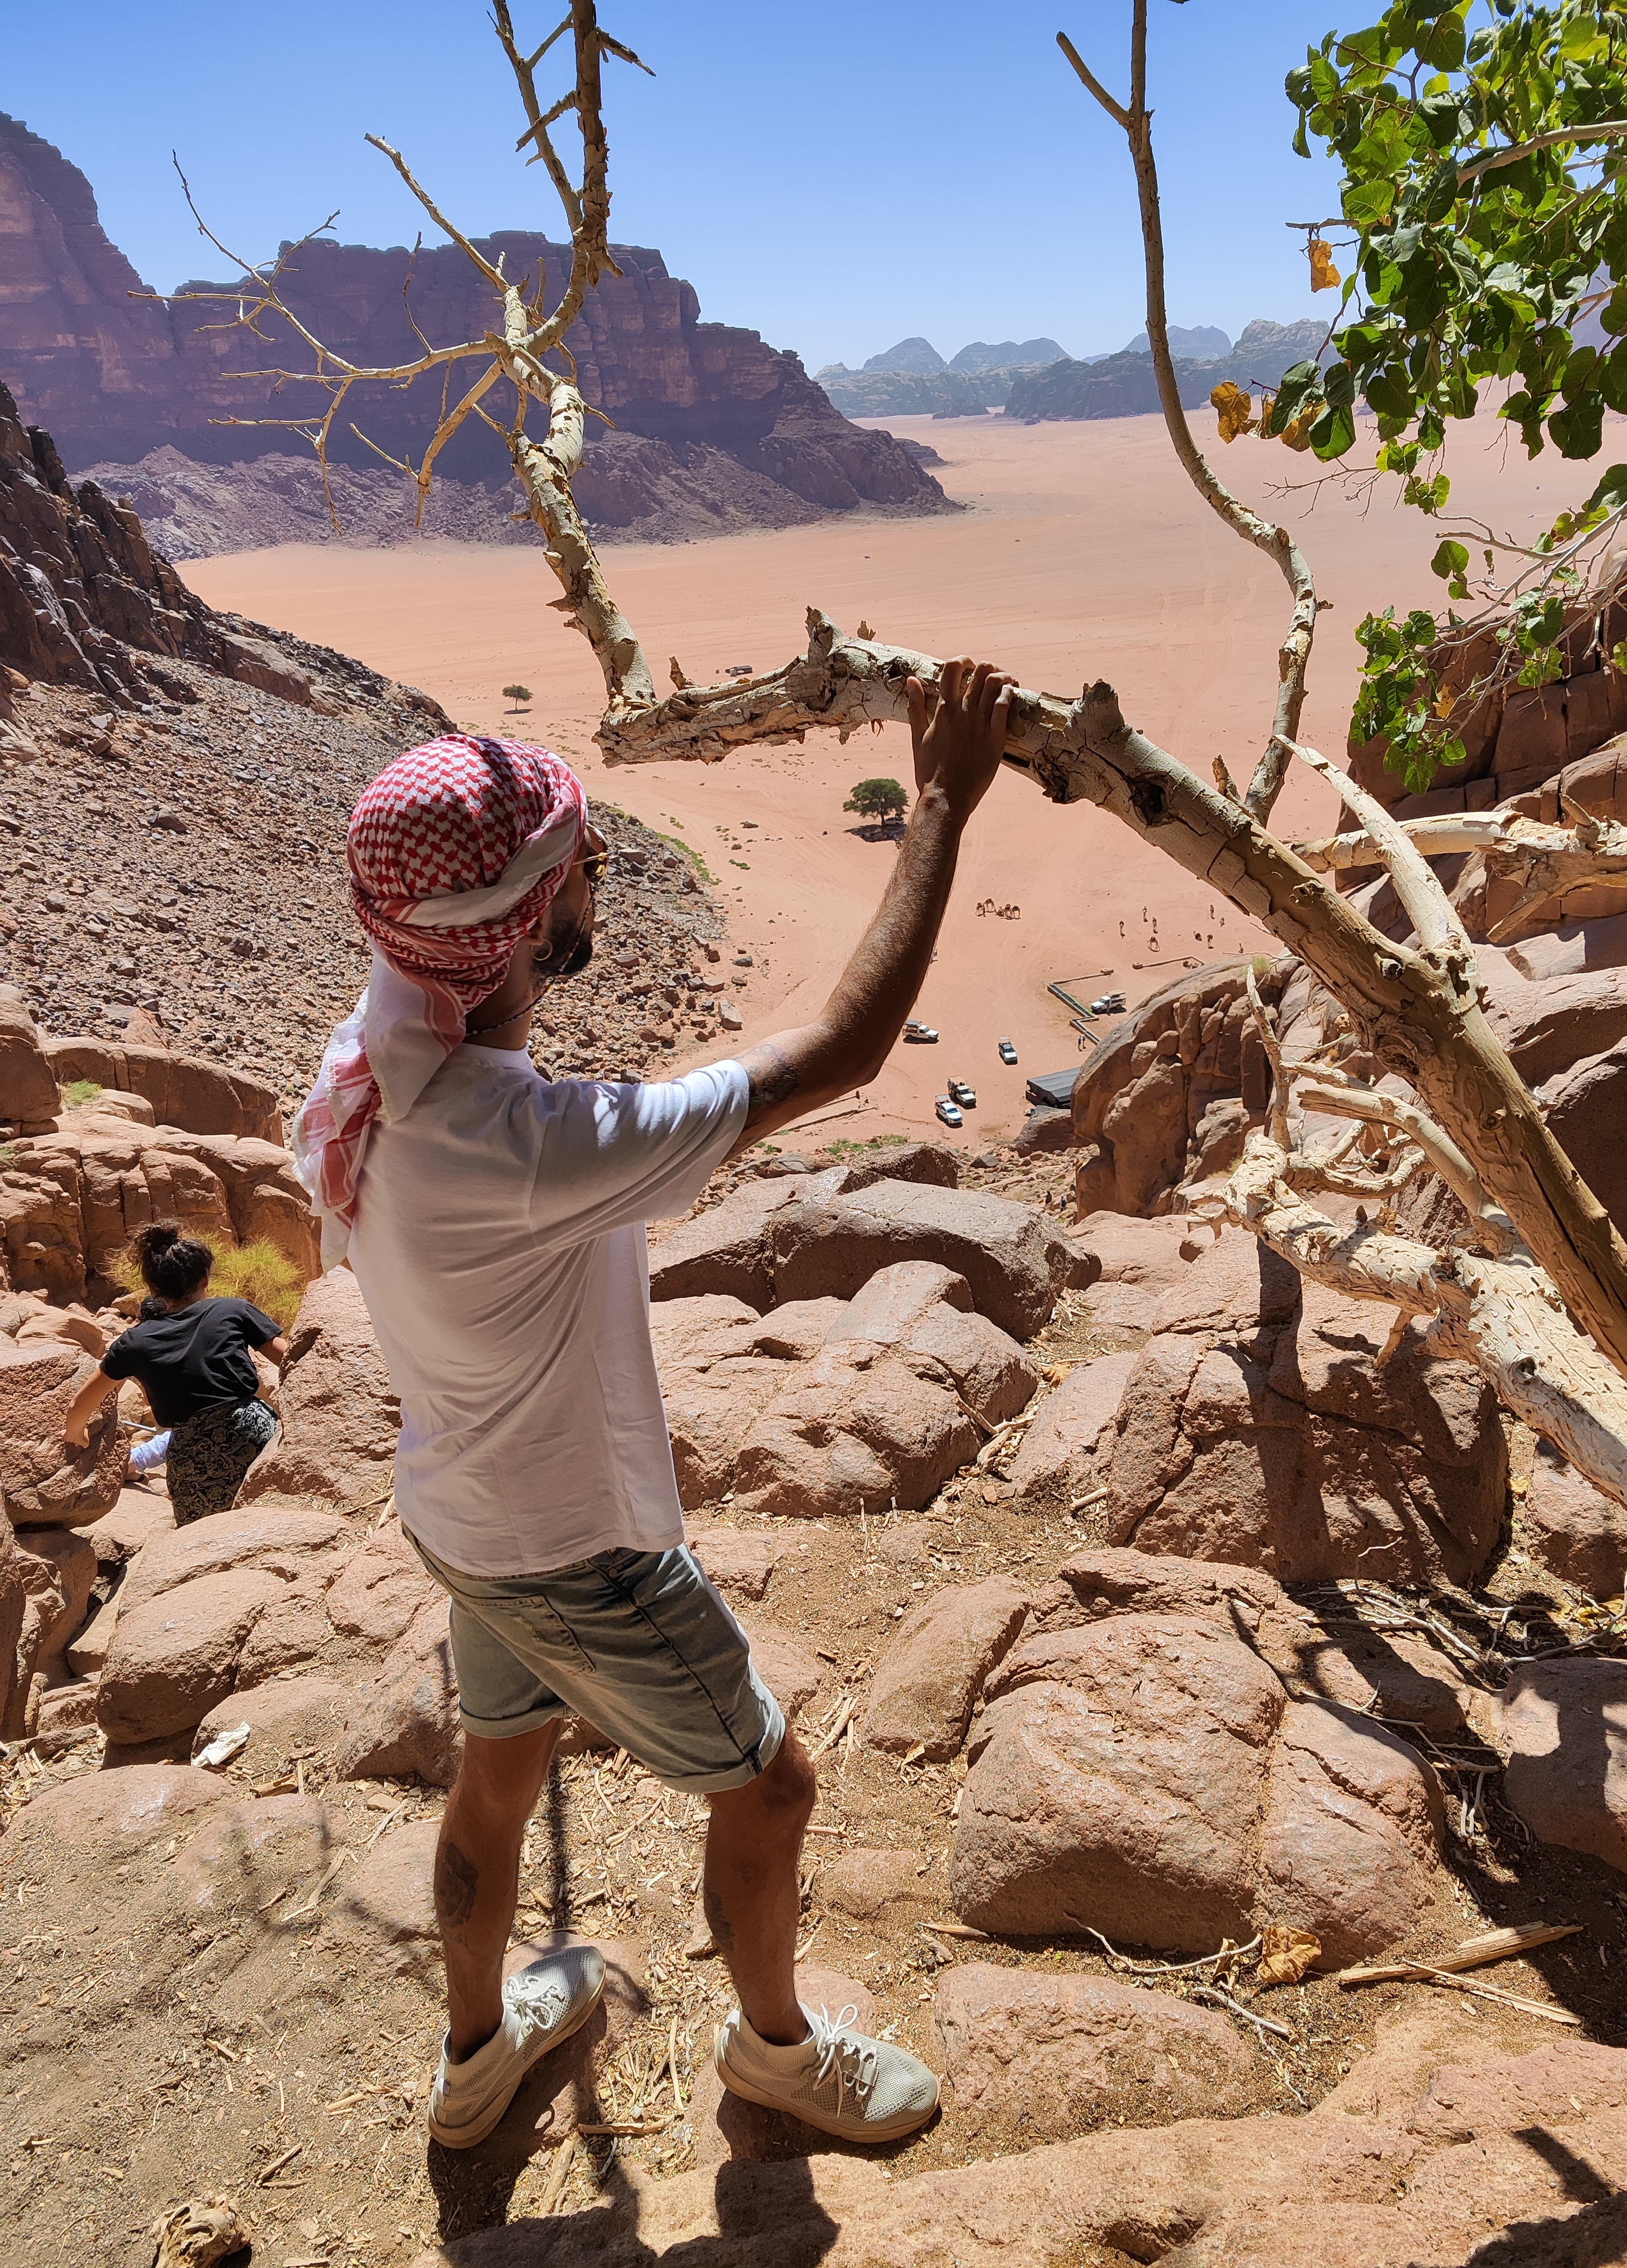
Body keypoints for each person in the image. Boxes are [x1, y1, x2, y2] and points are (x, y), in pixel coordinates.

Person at [289, 676, 1013, 2155]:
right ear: (530, 914)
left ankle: (479, 2059)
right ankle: (776, 2054)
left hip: (463, 1521)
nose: (599, 877)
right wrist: (941, 807)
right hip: (581, 1553)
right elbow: (846, 1049)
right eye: (583, 863)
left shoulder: (378, 1056)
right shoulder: (519, 1144)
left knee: (498, 1775)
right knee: (770, 1788)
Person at [62, 1222, 288, 1522]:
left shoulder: (135, 1341)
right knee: (274, 1511)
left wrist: (76, 1434)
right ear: (206, 1276)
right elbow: (289, 1360)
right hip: (252, 1429)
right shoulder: (232, 1309)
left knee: (204, 1532)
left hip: (192, 1449)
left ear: (153, 1289)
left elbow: (81, 1405)